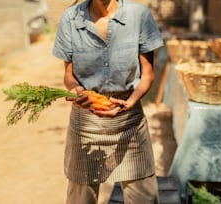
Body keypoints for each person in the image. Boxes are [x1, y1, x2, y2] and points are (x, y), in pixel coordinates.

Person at [52, 0, 164, 203]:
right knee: (81, 198)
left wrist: (132, 101)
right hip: (86, 123)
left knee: (144, 198)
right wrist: (78, 92)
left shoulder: (139, 16)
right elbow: (69, 75)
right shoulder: (70, 19)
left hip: (129, 122)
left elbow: (147, 74)